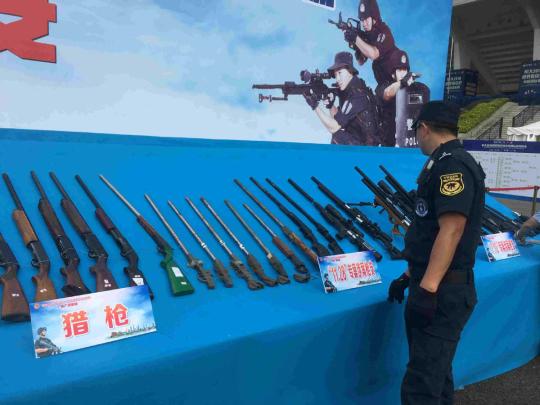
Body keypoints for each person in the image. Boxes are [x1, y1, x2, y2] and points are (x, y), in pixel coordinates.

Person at [387, 101, 485, 404]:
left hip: (442, 291)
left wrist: (428, 287)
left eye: (417, 131)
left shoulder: (452, 165)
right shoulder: (443, 161)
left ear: (424, 128)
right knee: (436, 374)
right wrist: (410, 274)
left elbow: (451, 229)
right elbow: (429, 231)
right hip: (435, 283)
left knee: (421, 386)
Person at [304, 51, 378, 145]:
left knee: (338, 136)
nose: (337, 79)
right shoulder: (352, 89)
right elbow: (341, 119)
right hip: (361, 140)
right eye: (335, 75)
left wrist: (315, 106)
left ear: (350, 71)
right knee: (339, 135)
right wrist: (331, 105)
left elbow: (334, 127)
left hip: (367, 150)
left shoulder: (357, 95)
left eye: (340, 73)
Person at [375, 48, 430, 147]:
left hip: (411, 142)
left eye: (405, 70)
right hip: (388, 144)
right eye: (399, 70)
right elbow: (387, 93)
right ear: (393, 74)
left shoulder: (418, 89)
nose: (403, 73)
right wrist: (402, 83)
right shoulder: (382, 87)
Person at [343, 0, 396, 86]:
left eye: (366, 19)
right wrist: (356, 45)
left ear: (374, 17)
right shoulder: (368, 35)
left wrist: (355, 38)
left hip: (396, 82)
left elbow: (374, 54)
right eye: (362, 20)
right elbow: (361, 61)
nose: (364, 23)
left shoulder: (384, 31)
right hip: (383, 84)